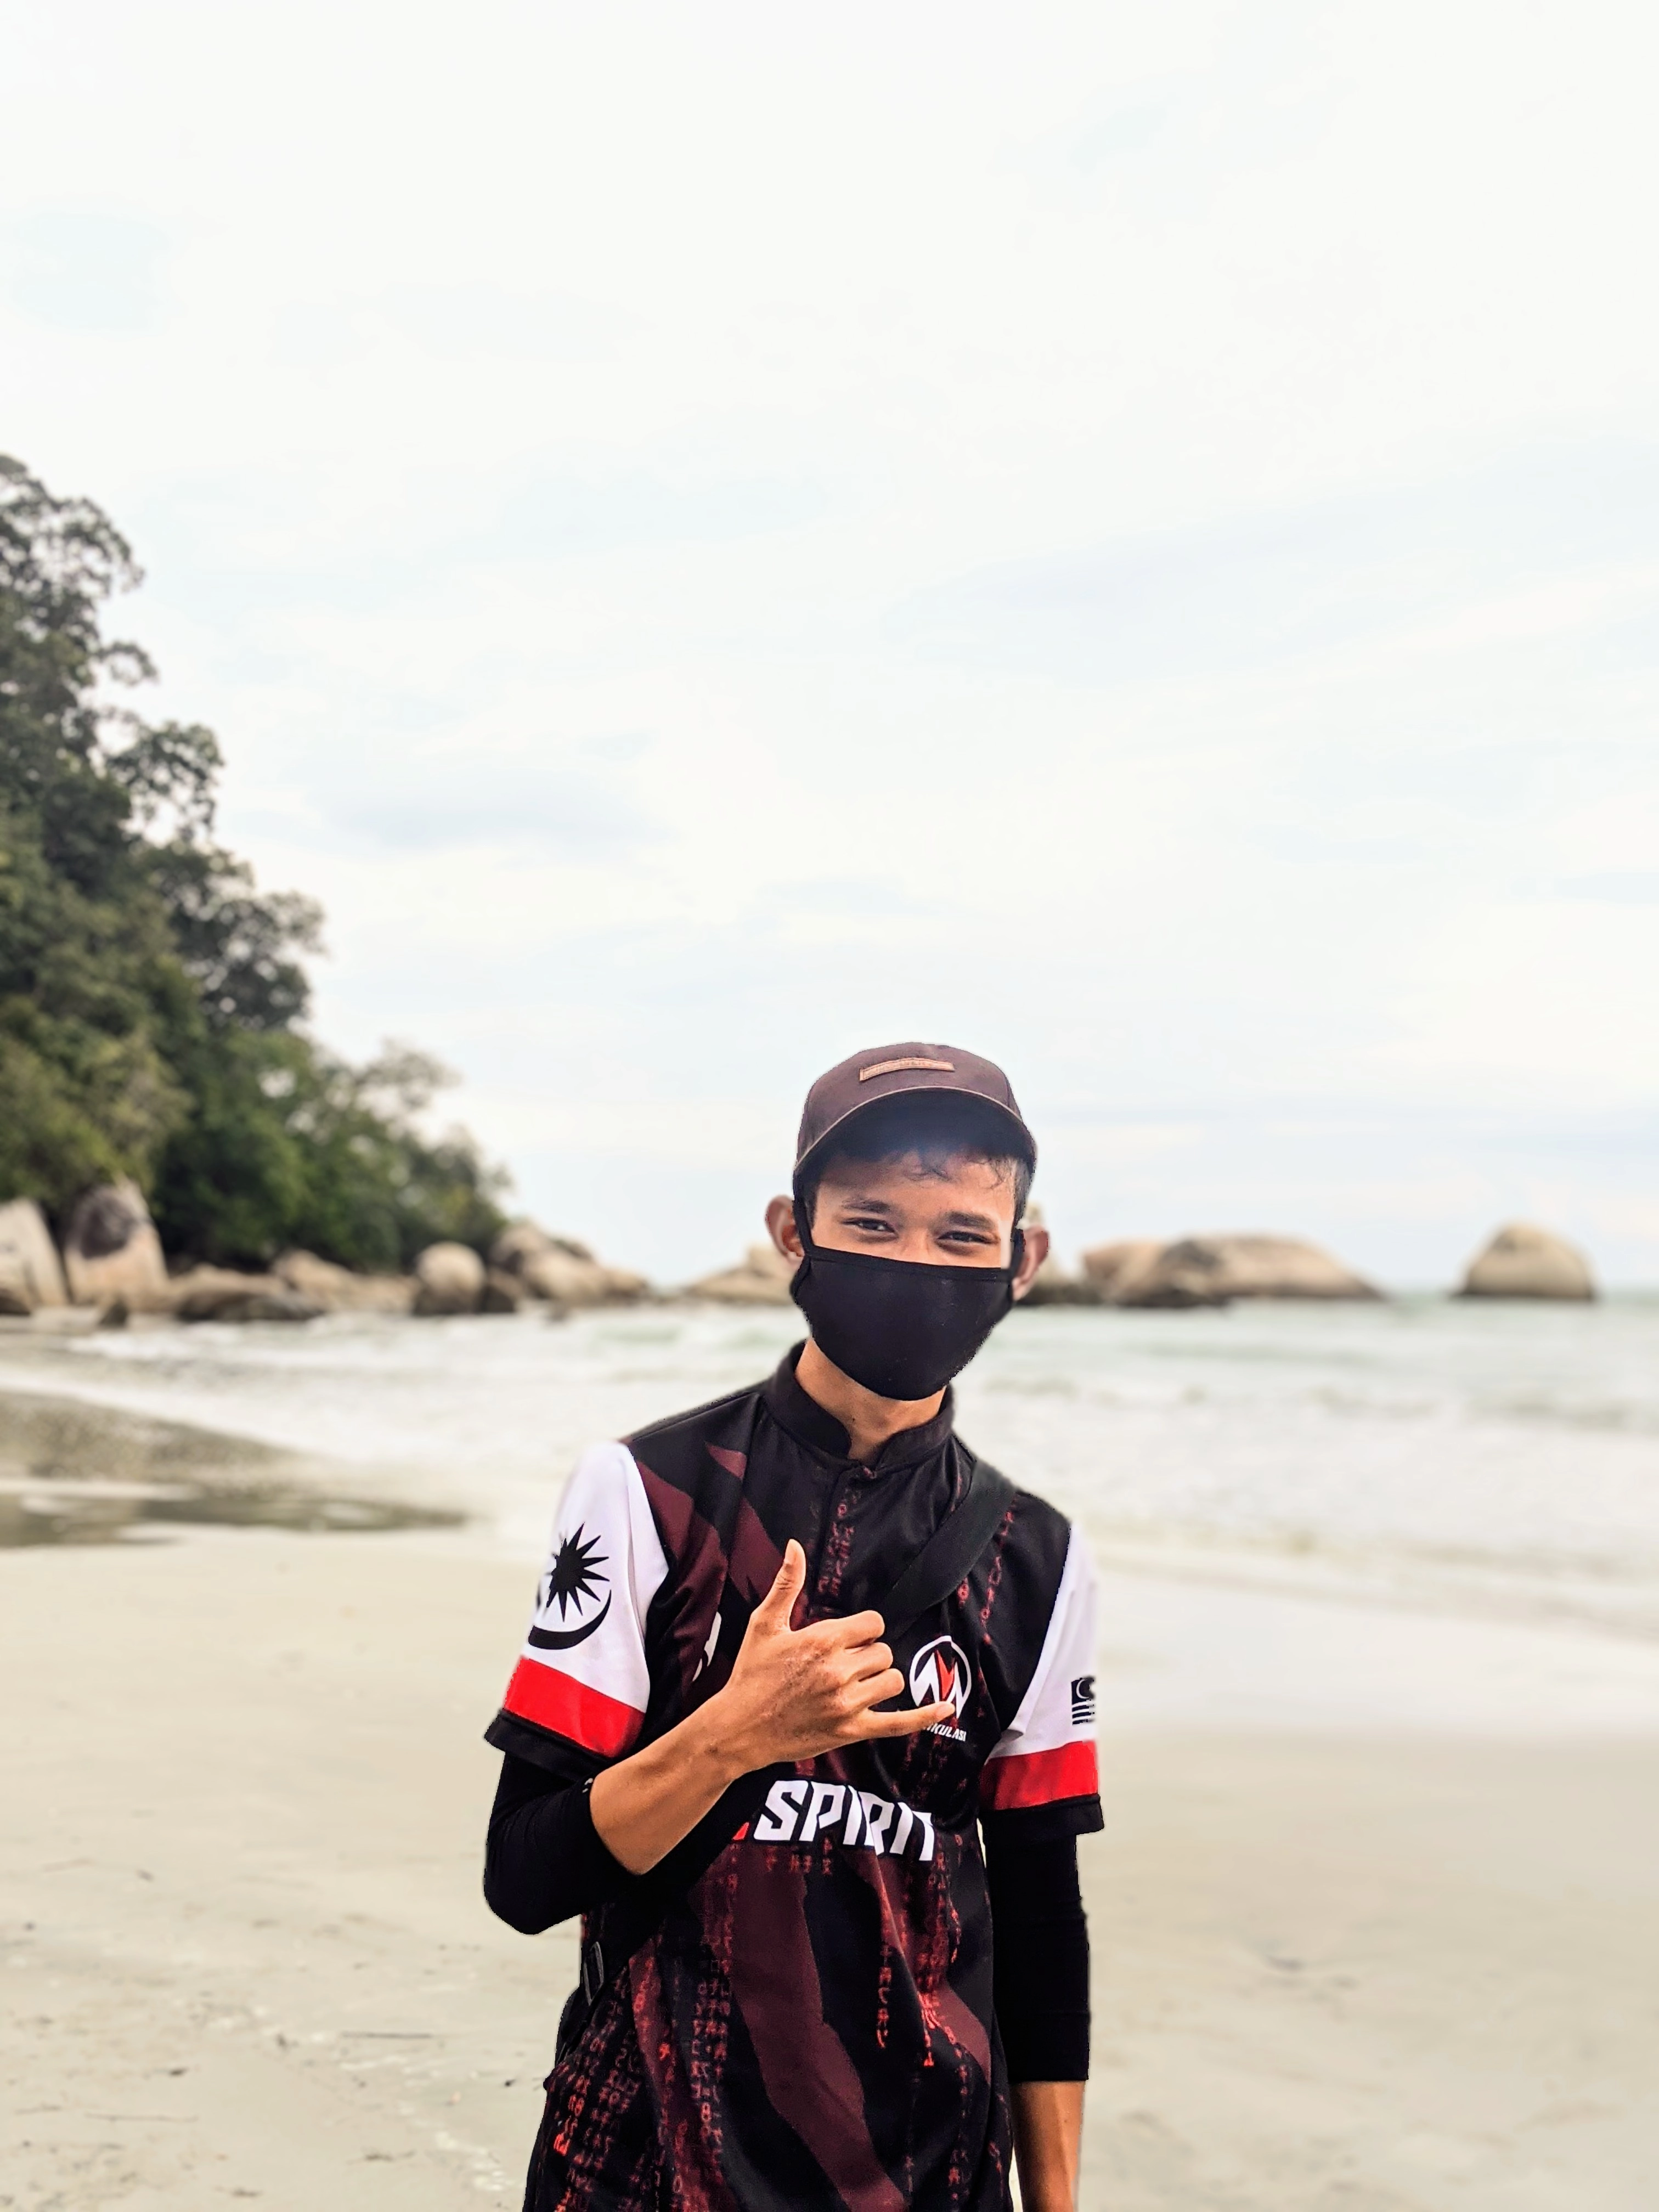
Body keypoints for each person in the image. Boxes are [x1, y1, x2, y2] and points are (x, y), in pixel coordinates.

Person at [483, 1043, 1101, 2212]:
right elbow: (523, 1875)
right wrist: (733, 1736)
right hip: (645, 2160)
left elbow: (1038, 1916)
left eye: (961, 1236)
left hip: (929, 2171)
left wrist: (1057, 2202)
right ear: (791, 1231)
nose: (915, 1265)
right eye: (871, 1224)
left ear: (1021, 1262)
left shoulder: (1038, 1556)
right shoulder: (648, 1494)